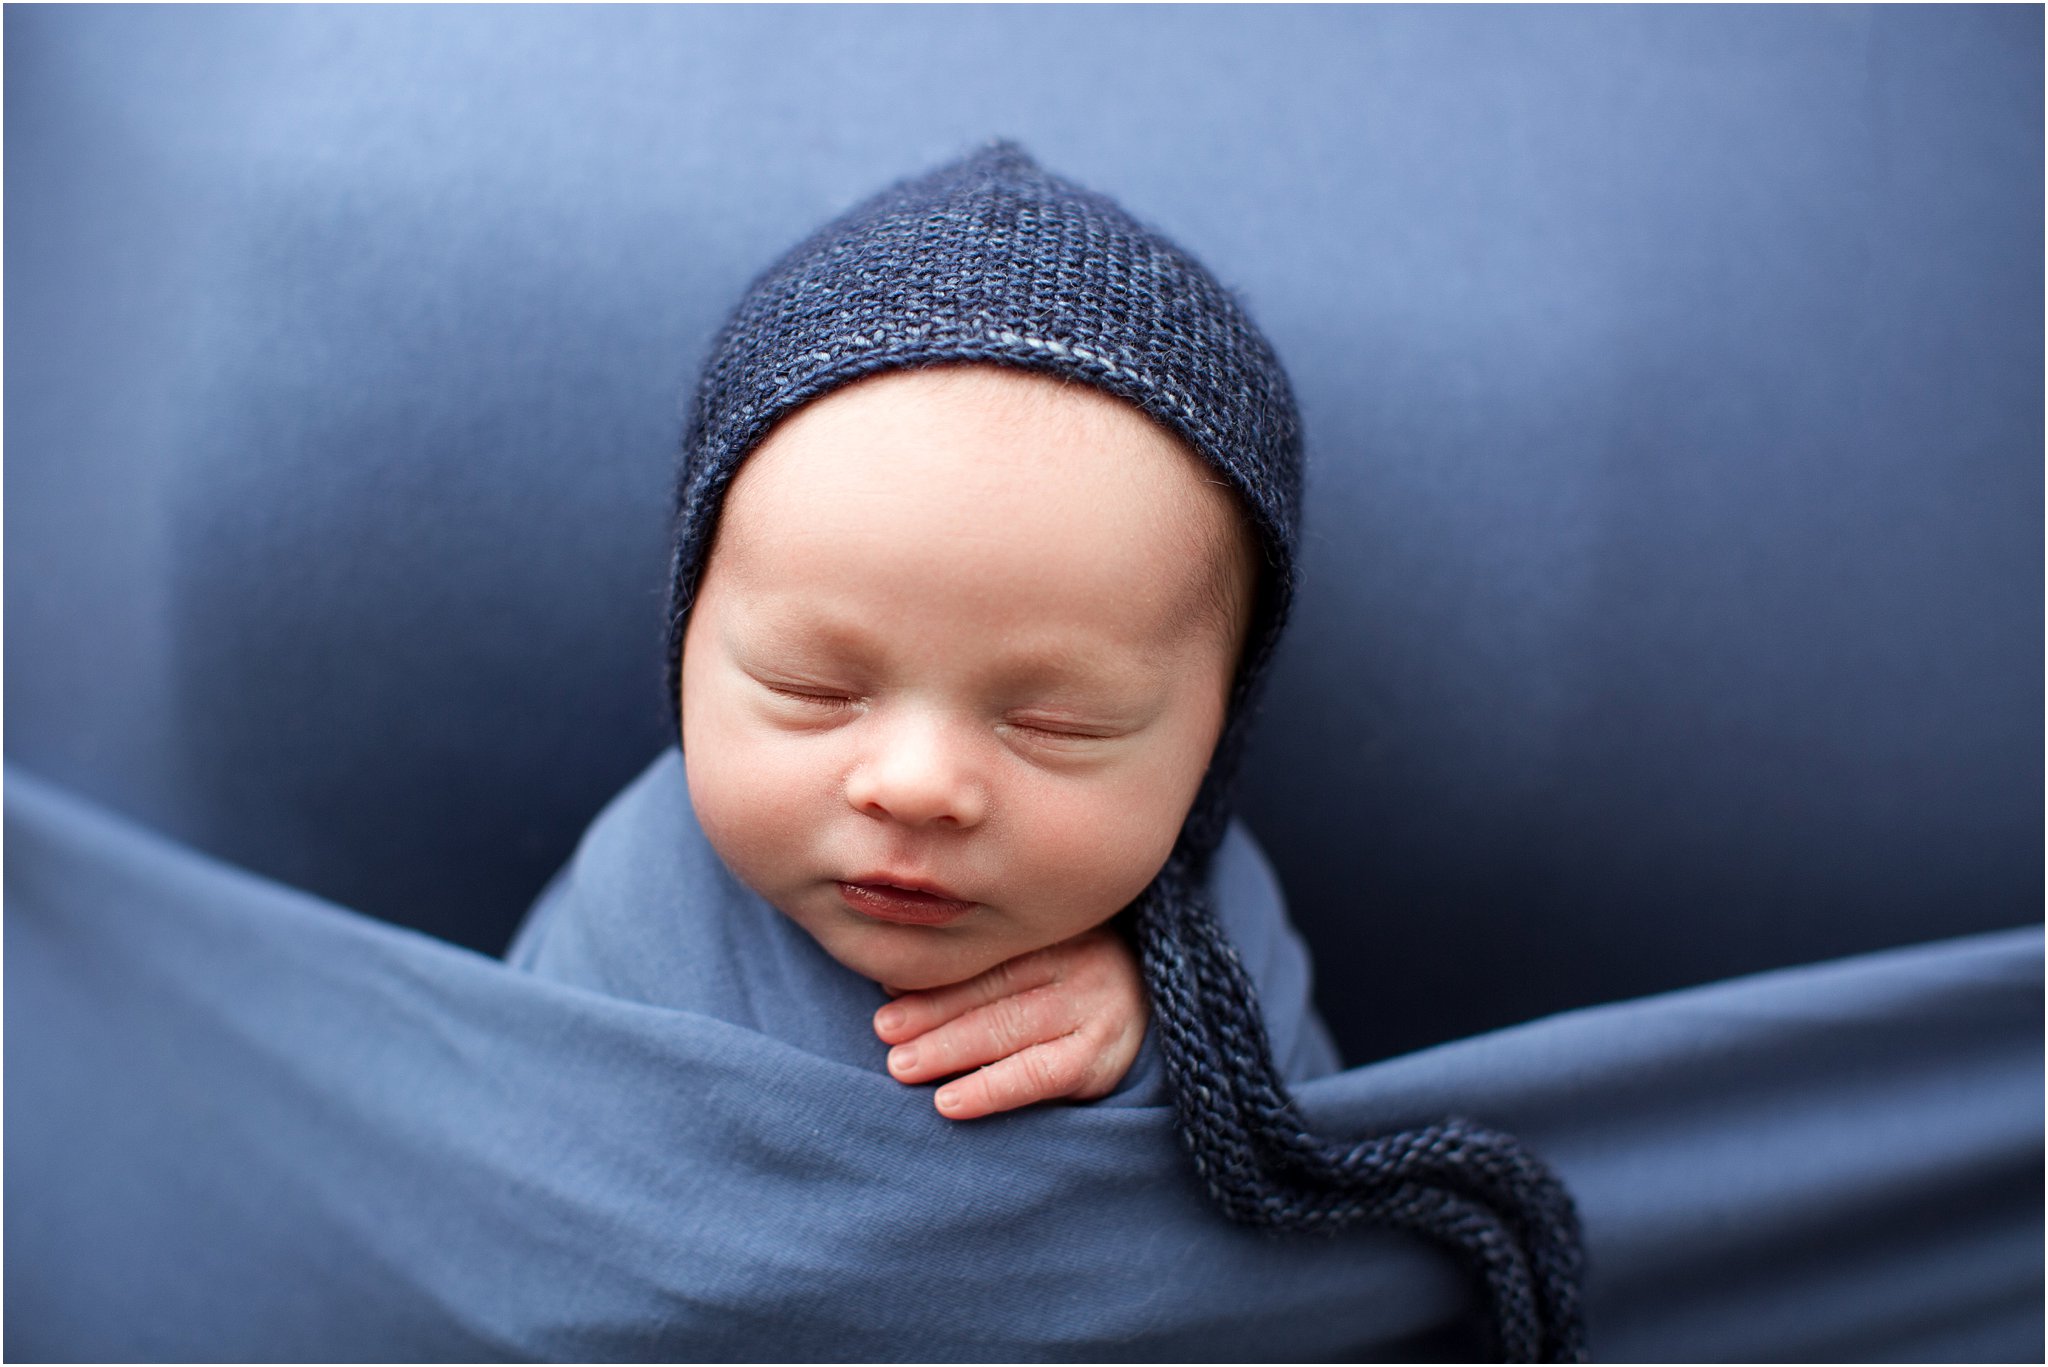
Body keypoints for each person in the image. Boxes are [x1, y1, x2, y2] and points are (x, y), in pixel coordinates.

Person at [649, 141, 1585, 1360]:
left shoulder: (1214, 948)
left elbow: (1302, 1258)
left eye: (1056, 723)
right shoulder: (636, 893)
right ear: (683, 643)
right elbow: (489, 1186)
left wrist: (1174, 1048)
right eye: (811, 687)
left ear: (1216, 734)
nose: (918, 784)